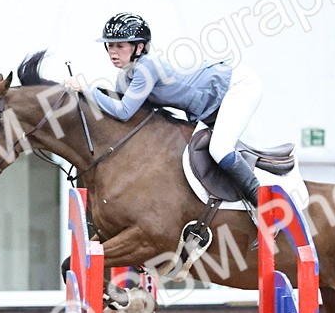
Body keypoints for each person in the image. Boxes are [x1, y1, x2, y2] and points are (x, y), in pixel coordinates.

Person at [64, 12, 263, 206]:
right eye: (110, 45)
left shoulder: (146, 66)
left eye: (120, 45)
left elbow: (123, 112)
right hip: (209, 105)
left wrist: (87, 89)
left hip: (238, 85)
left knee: (220, 148)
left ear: (139, 47)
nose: (112, 52)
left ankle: (262, 202)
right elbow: (117, 116)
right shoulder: (125, 76)